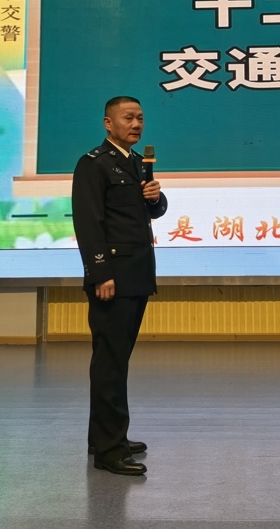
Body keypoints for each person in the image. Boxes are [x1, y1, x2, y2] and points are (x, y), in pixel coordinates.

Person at [72, 96, 168, 477]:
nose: (136, 124)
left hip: (137, 274)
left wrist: (156, 198)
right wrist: (100, 273)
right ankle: (109, 451)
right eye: (128, 118)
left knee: (117, 361)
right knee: (110, 364)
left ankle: (106, 437)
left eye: (140, 118)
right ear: (108, 123)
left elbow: (150, 211)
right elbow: (88, 222)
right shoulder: (93, 164)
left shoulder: (137, 163)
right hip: (113, 278)